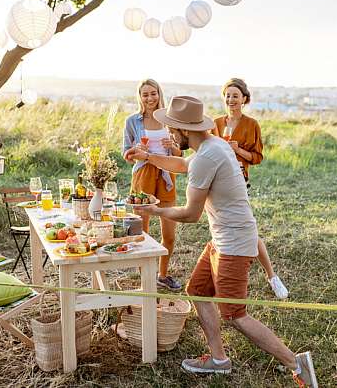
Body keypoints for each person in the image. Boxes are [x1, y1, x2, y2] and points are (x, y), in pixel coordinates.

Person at [124, 96, 317, 386]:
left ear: (184, 131)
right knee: (198, 290)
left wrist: (155, 210)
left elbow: (190, 214)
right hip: (223, 238)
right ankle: (218, 359)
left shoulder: (207, 156)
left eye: (173, 130)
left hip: (233, 244)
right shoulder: (213, 145)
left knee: (236, 314)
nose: (171, 134)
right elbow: (183, 163)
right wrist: (149, 157)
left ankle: (296, 363)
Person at [212, 78, 289, 299]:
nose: (230, 99)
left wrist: (237, 150)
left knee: (249, 230)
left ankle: (272, 276)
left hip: (238, 181)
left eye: (235, 96)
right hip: (217, 182)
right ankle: (219, 276)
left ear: (244, 99)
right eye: (227, 95)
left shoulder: (251, 124)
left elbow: (256, 157)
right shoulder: (216, 124)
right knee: (220, 230)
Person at [122, 79, 183, 291]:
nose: (149, 98)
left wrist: (173, 146)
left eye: (153, 93)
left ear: (159, 94)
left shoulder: (170, 120)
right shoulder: (132, 121)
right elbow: (126, 155)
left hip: (167, 175)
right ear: (140, 97)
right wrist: (135, 151)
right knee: (142, 232)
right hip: (143, 175)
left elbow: (180, 154)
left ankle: (162, 275)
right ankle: (145, 279)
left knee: (169, 234)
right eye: (145, 94)